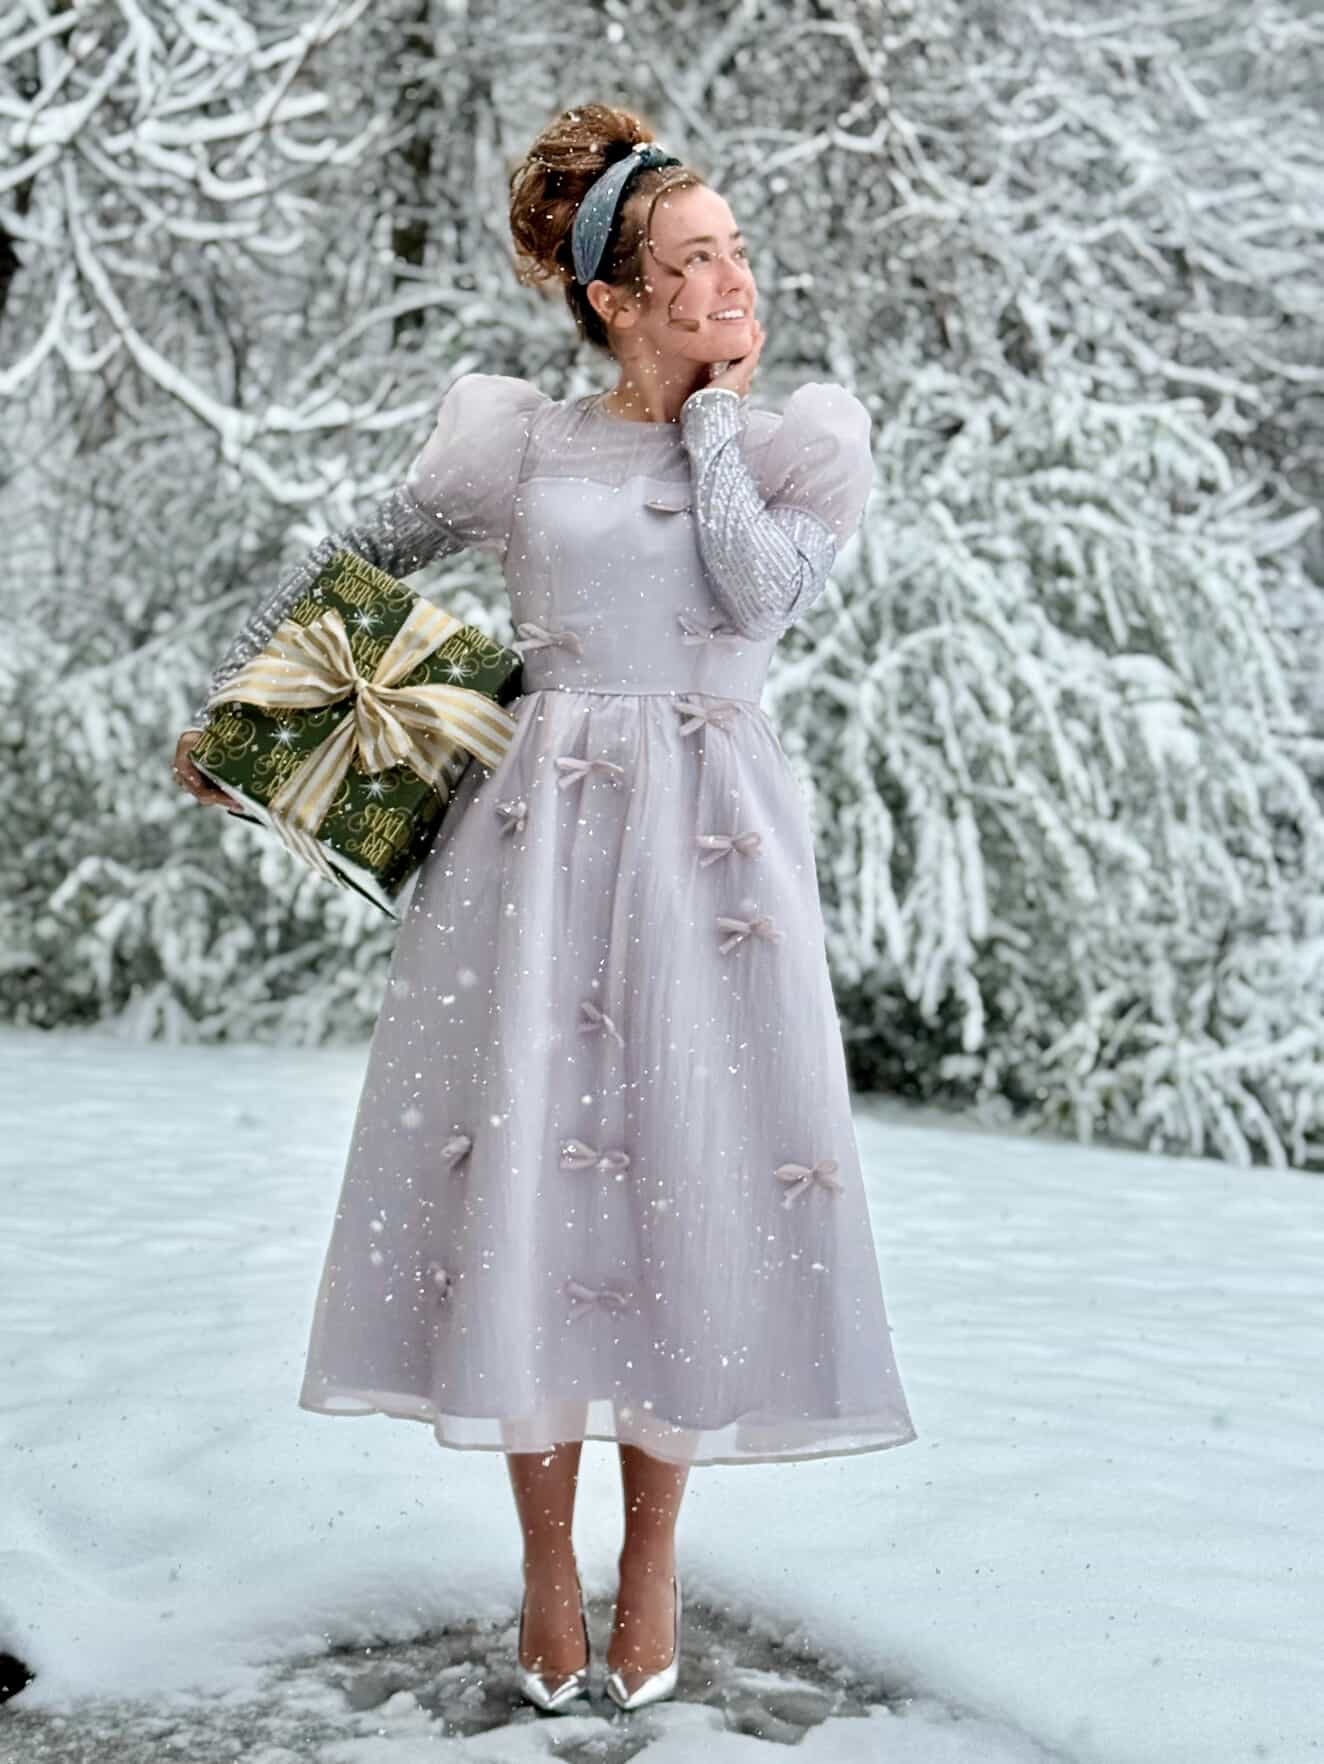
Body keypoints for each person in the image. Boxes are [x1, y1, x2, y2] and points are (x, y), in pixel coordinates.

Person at [173, 102, 918, 1716]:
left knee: (683, 1170)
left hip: (713, 853)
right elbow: (370, 547)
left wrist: (710, 427)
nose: (734, 279)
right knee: (528, 1168)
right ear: (613, 296)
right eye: (693, 260)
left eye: (735, 250)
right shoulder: (514, 440)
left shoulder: (797, 444)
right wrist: (251, 714)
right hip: (534, 841)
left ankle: (651, 1555)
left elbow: (757, 590)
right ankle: (542, 1560)